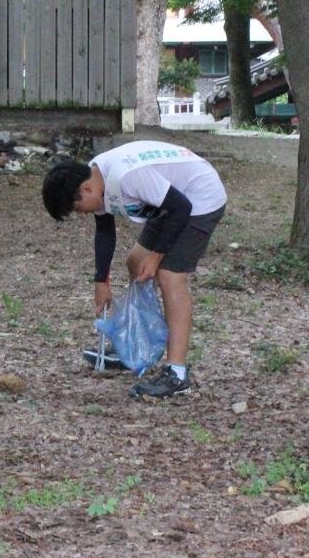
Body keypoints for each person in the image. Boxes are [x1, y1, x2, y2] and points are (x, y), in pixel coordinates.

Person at [42, 141, 226, 398]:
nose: (80, 214)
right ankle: (136, 342)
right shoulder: (97, 175)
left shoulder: (128, 177)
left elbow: (182, 208)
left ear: (86, 189)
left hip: (199, 198)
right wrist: (101, 283)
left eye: (76, 208)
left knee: (169, 275)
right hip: (167, 201)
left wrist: (157, 255)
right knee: (136, 261)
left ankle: (177, 374)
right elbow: (105, 230)